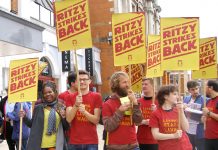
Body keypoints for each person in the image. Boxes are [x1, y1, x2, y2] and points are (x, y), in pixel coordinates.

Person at [19, 81, 69, 150]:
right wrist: (24, 117)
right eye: (45, 93)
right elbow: (32, 124)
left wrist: (63, 118)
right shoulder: (38, 108)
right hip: (39, 146)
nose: (47, 94)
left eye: (50, 92)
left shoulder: (61, 106)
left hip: (56, 145)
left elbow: (66, 127)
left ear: (55, 92)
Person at [102, 71, 143, 150]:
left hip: (133, 146)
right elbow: (108, 127)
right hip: (115, 147)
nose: (127, 85)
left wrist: (135, 103)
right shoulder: (108, 103)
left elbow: (138, 122)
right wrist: (120, 111)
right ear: (116, 84)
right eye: (124, 82)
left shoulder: (131, 100)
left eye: (128, 82)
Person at [66, 70, 102, 150]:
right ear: (75, 82)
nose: (82, 82)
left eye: (85, 79)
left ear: (89, 81)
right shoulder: (70, 97)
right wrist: (76, 105)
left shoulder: (96, 96)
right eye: (79, 80)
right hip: (74, 142)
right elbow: (68, 119)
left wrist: (84, 112)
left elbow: (96, 120)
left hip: (91, 141)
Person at [149, 85, 192, 150]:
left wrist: (181, 111)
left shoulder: (178, 110)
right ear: (165, 96)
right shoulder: (156, 113)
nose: (177, 97)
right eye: (174, 94)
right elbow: (156, 135)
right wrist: (173, 135)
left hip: (184, 146)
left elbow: (186, 128)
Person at [137, 78, 158, 150]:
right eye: (142, 84)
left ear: (153, 86)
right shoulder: (138, 102)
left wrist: (156, 111)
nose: (143, 86)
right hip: (140, 139)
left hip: (155, 140)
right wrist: (143, 122)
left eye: (146, 84)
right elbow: (134, 121)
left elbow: (164, 119)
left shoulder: (159, 101)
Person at [183, 81, 205, 150]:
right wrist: (183, 108)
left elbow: (204, 117)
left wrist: (191, 115)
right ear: (189, 90)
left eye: (197, 88)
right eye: (193, 89)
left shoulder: (204, 100)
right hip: (188, 130)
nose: (195, 91)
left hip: (199, 130)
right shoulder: (186, 99)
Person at [202, 80, 218, 150]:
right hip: (207, 137)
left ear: (210, 88)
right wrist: (203, 119)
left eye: (205, 86)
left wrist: (209, 113)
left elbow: (209, 113)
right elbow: (205, 117)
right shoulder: (208, 101)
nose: (204, 89)